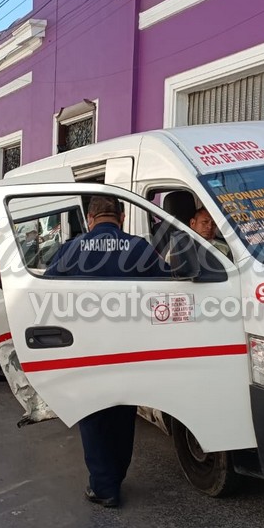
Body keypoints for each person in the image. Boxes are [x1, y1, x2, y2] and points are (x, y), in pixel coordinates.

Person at [44, 196, 169, 509]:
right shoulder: (140, 248)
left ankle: (104, 485)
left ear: (89, 218)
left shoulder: (71, 249)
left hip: (85, 350)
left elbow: (42, 293)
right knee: (123, 415)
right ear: (122, 216)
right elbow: (170, 285)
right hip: (130, 350)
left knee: (94, 416)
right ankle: (115, 477)